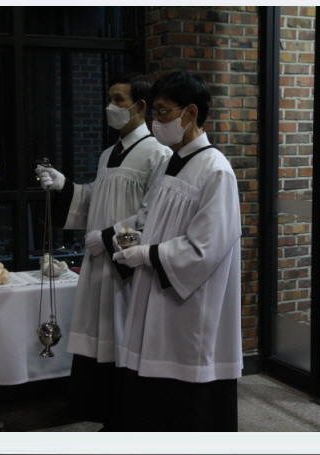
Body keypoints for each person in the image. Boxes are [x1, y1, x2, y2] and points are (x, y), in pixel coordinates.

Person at [35, 72, 172, 431]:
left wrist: (110, 237)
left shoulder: (158, 153)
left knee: (123, 334)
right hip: (98, 261)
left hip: (126, 264)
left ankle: (127, 418)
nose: (111, 106)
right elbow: (98, 197)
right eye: (110, 98)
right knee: (98, 336)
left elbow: (155, 213)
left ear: (140, 106)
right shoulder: (108, 153)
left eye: (118, 99)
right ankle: (101, 411)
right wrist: (65, 185)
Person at [109, 70, 243, 431]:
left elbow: (206, 248)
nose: (156, 121)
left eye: (163, 112)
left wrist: (148, 255)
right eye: (154, 111)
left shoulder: (216, 170)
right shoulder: (172, 160)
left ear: (191, 112)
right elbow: (152, 215)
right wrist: (130, 237)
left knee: (184, 393)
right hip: (157, 290)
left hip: (190, 302)